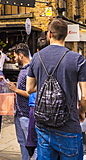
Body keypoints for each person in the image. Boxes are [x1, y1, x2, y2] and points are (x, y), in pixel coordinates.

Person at [27, 18, 86, 160]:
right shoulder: (77, 59)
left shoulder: (36, 57)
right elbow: (85, 95)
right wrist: (82, 112)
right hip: (69, 126)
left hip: (43, 125)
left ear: (49, 34)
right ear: (66, 35)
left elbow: (29, 89)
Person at [8, 43, 33, 160]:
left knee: (30, 144)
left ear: (21, 55)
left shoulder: (29, 70)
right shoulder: (24, 69)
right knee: (22, 142)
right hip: (20, 113)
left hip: (26, 113)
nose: (14, 59)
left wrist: (15, 89)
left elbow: (30, 93)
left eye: (15, 57)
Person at [26, 36, 49, 158]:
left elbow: (29, 89)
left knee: (34, 140)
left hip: (35, 105)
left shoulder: (35, 60)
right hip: (52, 107)